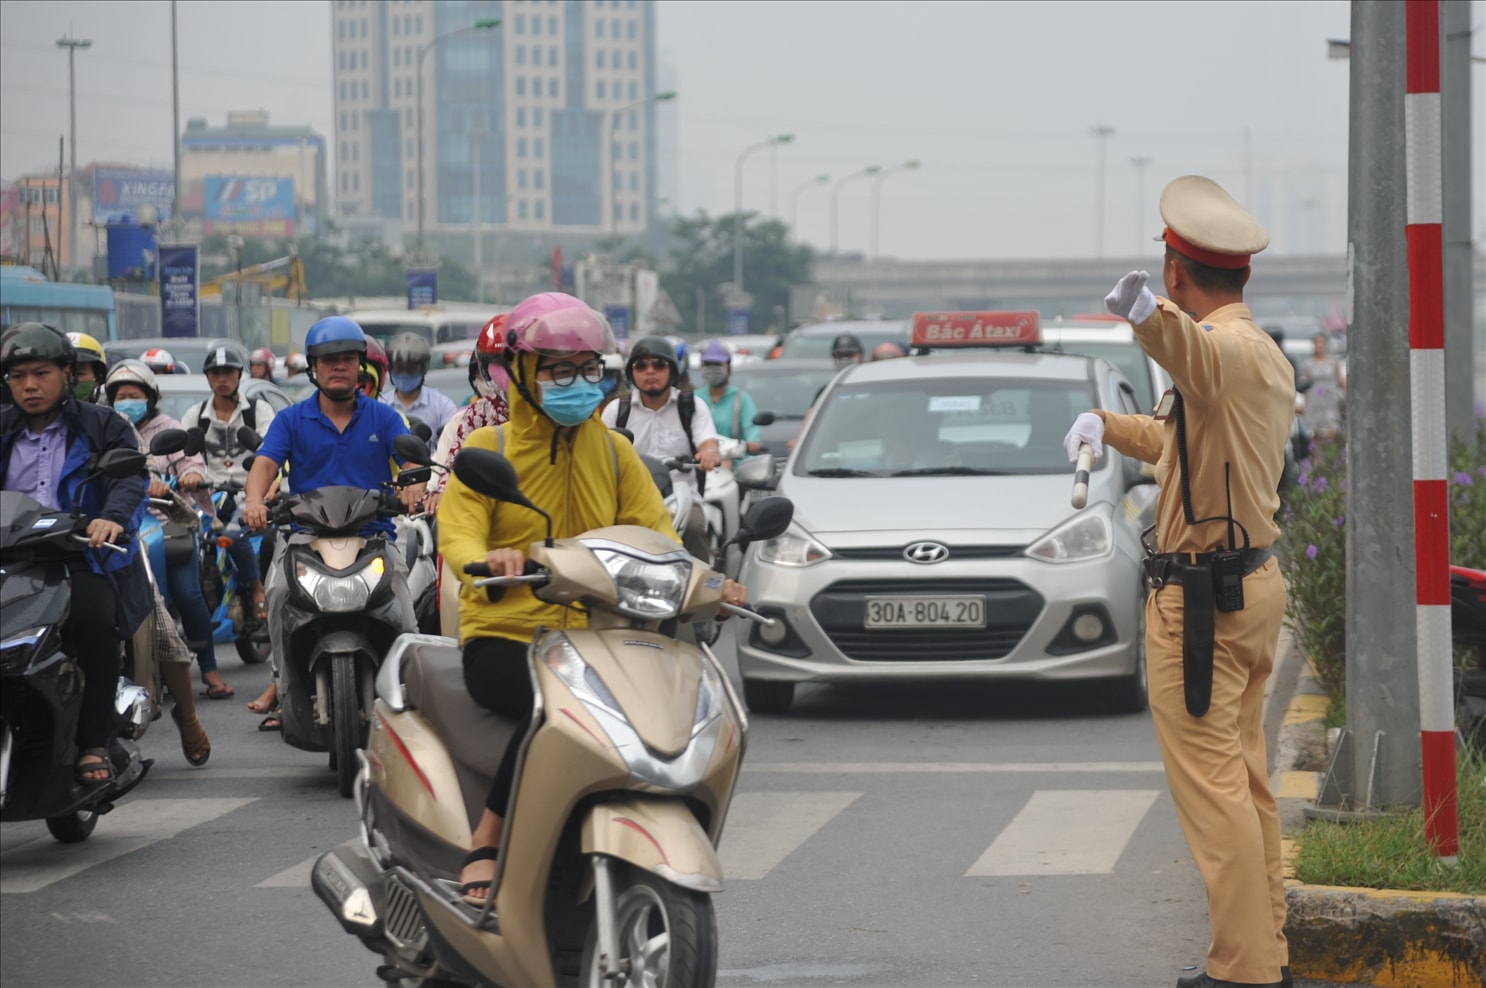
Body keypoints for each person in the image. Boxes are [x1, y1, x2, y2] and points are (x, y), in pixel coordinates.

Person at [438, 291, 748, 905]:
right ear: (524, 373)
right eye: (558, 370)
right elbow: (460, 529)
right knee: (552, 710)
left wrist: (707, 582)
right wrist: (487, 560)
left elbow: (657, 535)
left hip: (602, 634)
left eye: (588, 370)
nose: (577, 383)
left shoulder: (613, 451)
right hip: (508, 631)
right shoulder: (488, 452)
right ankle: (488, 840)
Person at [1063, 175, 1293, 988]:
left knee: (1214, 790)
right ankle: (1266, 948)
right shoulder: (1257, 355)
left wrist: (1142, 313)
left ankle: (1244, 971)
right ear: (1244, 276)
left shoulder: (1216, 351)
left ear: (1176, 273)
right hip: (1248, 587)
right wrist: (1106, 426)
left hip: (1200, 600)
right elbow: (1176, 442)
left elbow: (1188, 353)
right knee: (1247, 779)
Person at [241, 317, 423, 726]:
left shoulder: (384, 417)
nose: (338, 367)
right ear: (313, 367)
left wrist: (413, 485)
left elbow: (411, 458)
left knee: (405, 610)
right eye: (329, 360)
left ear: (361, 366)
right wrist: (255, 500)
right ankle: (285, 689)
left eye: (346, 359)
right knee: (277, 592)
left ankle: (411, 699)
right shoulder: (292, 420)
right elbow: (266, 463)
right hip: (305, 539)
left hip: (373, 538)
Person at [0, 324, 153, 783]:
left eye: (41, 373)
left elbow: (130, 478)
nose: (29, 385)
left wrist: (111, 516)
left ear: (67, 373)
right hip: (11, 560)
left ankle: (94, 743)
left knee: (95, 626)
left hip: (79, 556)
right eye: (18, 375)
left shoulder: (102, 424)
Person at [104, 360, 232, 701]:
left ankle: (208, 666)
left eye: (134, 395)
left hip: (166, 524)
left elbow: (191, 463)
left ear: (150, 397)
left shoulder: (168, 428)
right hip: (119, 527)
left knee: (188, 594)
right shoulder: (106, 428)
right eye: (120, 395)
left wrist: (187, 476)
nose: (126, 401)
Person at [182, 340, 277, 643]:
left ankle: (256, 587)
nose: (222, 378)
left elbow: (275, 452)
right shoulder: (195, 416)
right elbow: (181, 456)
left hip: (249, 496)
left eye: (228, 372)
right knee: (182, 540)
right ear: (208, 377)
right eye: (216, 373)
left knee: (234, 535)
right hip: (207, 497)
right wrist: (190, 475)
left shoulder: (259, 412)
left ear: (239, 376)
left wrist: (268, 486)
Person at [600, 334, 721, 562]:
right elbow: (600, 452)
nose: (650, 371)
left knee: (695, 527)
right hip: (629, 494)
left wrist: (709, 453)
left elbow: (707, 441)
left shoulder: (692, 405)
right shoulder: (616, 409)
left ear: (672, 371)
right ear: (631, 373)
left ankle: (704, 589)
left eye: (659, 364)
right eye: (641, 365)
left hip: (682, 494)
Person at [424, 314, 511, 518]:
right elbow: (453, 466)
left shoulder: (548, 412)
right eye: (498, 362)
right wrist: (441, 492)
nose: (507, 371)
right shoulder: (477, 414)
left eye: (514, 361)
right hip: (479, 515)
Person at [695, 339, 762, 456]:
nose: (712, 369)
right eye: (707, 364)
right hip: (700, 464)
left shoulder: (741, 399)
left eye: (717, 364)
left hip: (735, 465)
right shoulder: (694, 398)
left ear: (728, 366)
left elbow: (752, 432)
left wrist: (751, 444)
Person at [383, 333, 458, 435]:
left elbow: (452, 440)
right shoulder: (381, 405)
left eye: (411, 369)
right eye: (399, 369)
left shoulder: (442, 406)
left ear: (423, 370)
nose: (405, 374)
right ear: (390, 369)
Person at [1300, 333, 1345, 443]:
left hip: (1330, 399)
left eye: (1321, 343)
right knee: (1316, 432)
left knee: (1332, 428)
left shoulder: (1333, 362)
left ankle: (1331, 455)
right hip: (1315, 399)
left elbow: (1341, 381)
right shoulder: (1308, 364)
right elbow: (1306, 385)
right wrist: (1304, 404)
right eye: (1316, 343)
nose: (1319, 346)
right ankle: (1317, 458)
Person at [66, 332, 109, 403]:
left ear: (97, 378)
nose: (71, 379)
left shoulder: (107, 413)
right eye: (64, 373)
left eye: (79, 373)